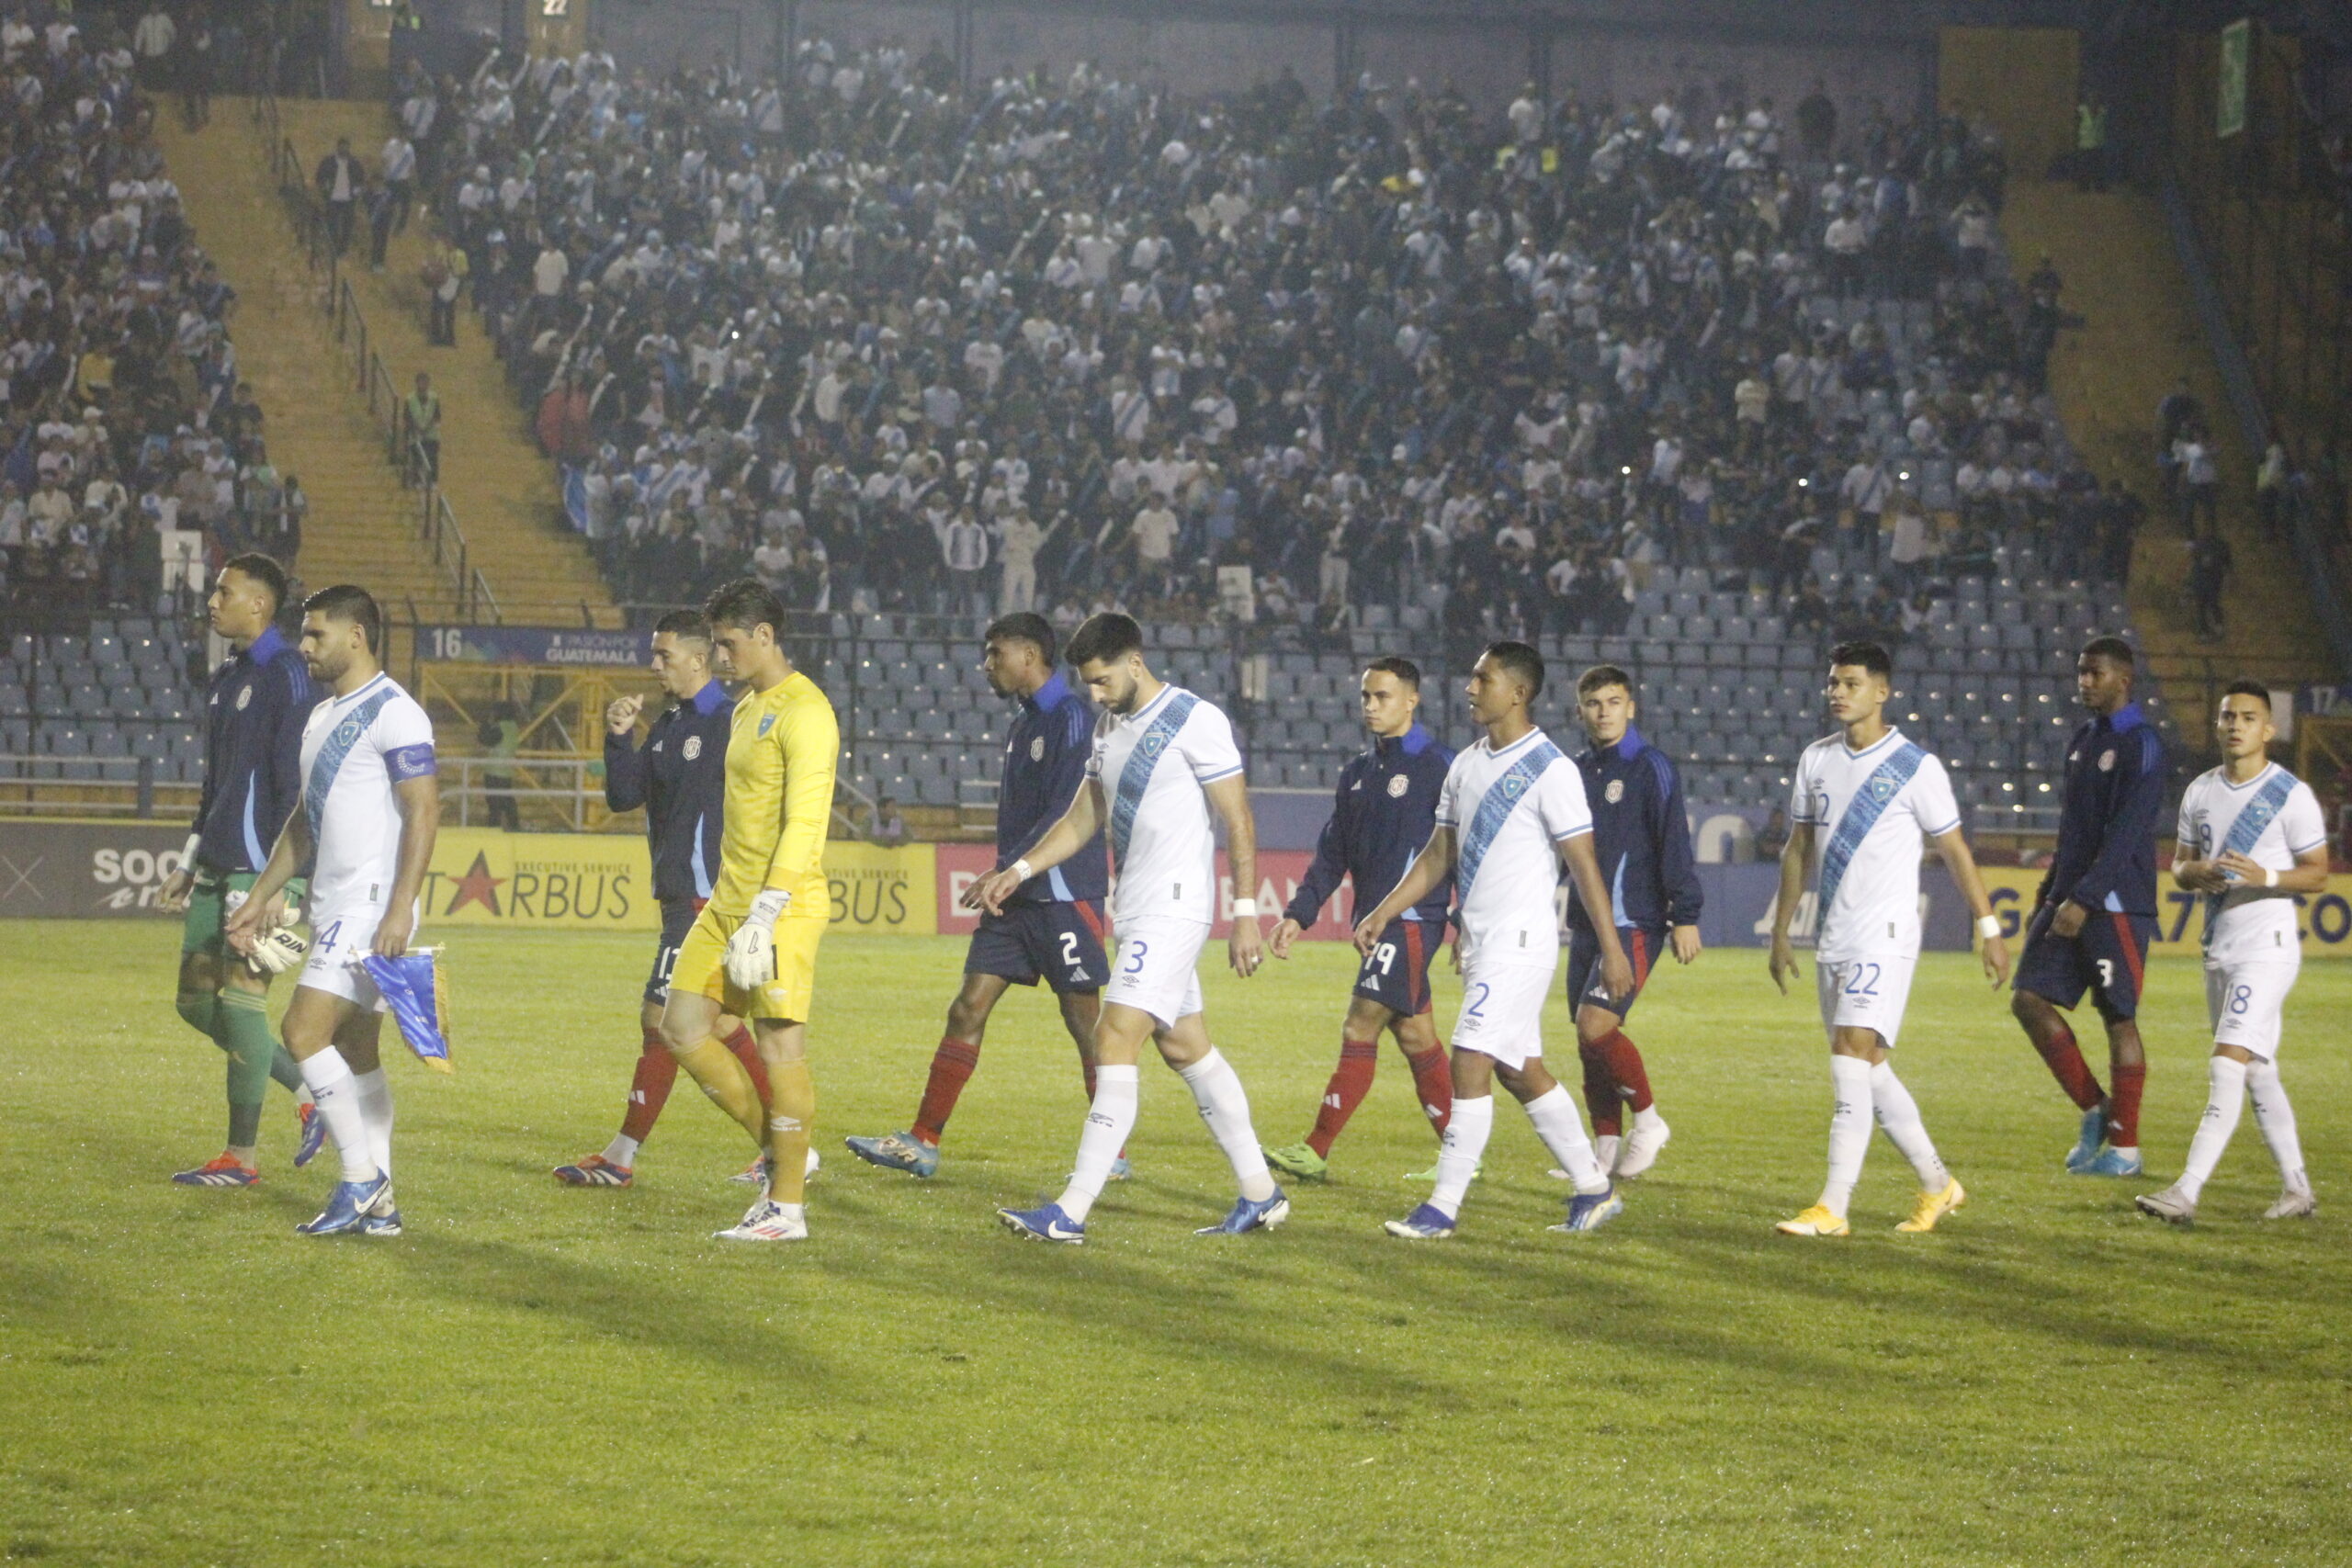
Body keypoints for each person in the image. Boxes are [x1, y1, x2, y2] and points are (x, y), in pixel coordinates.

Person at [969, 612, 1287, 1242]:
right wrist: (1021, 867)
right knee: (1185, 1046)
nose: (1094, 694)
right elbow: (1085, 813)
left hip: (1176, 905)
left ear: (1135, 662)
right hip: (1137, 905)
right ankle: (1262, 1192)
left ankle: (1071, 1210)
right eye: (1086, 684)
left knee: (1112, 1037)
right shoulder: (1109, 727)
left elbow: (1239, 818)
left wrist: (1247, 913)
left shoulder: (1196, 719)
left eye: (1101, 680)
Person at [1360, 642, 1632, 1241]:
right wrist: (1385, 909)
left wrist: (1612, 949)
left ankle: (1442, 1207)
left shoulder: (1551, 769)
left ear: (1518, 692)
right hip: (1483, 941)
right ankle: (1594, 1187)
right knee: (1520, 1069)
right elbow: (1440, 855)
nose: (1470, 688)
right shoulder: (1466, 764)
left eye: (1482, 678)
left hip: (1522, 940)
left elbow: (1584, 865)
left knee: (1470, 1058)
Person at [846, 615, 1112, 1179]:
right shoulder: (1024, 726)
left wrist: (1013, 870)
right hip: (1015, 896)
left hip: (1064, 894)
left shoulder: (1071, 718)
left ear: (1029, 655)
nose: (986, 665)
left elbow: (1069, 814)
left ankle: (1111, 1149)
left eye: (995, 653)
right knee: (968, 1005)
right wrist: (1000, 873)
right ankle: (922, 1140)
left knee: (1084, 1023)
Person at [1769, 640, 2009, 1238]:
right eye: (1833, 682)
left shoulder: (1915, 766)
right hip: (1835, 936)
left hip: (1888, 934)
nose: (1838, 692)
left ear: (1882, 691)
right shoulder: (1815, 760)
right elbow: (1798, 846)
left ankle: (1833, 1205)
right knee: (1871, 1070)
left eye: (1851, 683)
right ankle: (1938, 1183)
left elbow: (1954, 851)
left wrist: (1989, 928)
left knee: (1849, 1055)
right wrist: (1780, 928)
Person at [224, 585, 440, 1237]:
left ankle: (359, 1177)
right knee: (356, 1048)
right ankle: (383, 1202)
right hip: (338, 904)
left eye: (317, 634)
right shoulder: (322, 716)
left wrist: (400, 908)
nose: (306, 645)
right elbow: (305, 823)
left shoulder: (396, 712)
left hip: (372, 905)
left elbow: (423, 810)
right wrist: (262, 896)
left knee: (301, 1032)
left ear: (357, 636)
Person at [553, 611, 778, 1189]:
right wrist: (618, 736)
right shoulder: (672, 723)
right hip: (680, 894)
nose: (654, 666)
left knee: (661, 1020)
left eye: (664, 656)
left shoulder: (730, 722)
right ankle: (788, 1144)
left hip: (708, 897)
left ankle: (622, 1156)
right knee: (725, 1024)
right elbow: (625, 794)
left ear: (699, 660)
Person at [653, 580, 839, 1243]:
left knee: (779, 1043)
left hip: (781, 907)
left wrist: (768, 907)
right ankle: (786, 1151)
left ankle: (786, 1208)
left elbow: (805, 819)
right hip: (728, 903)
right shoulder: (744, 708)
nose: (720, 656)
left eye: (728, 643)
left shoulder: (807, 711)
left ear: (764, 635)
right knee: (680, 1027)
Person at [155, 554, 325, 1187]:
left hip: (259, 875)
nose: (212, 600)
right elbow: (214, 783)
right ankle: (314, 1092)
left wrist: (290, 884)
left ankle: (241, 1158)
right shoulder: (227, 679)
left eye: (224, 591)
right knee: (196, 1003)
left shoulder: (288, 675)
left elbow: (298, 787)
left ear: (259, 603)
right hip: (214, 866)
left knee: (243, 1007)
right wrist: (186, 859)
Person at [1259, 657, 1456, 1183]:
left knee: (1360, 1023)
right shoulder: (1358, 773)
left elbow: (1460, 849)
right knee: (1416, 1038)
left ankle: (1315, 1148)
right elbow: (1332, 853)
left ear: (1411, 700)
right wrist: (1299, 915)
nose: (1370, 706)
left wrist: (1469, 923)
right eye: (1366, 696)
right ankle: (1464, 1152)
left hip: (1413, 919)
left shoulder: (1440, 766)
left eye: (1383, 696)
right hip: (1381, 923)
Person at [2139, 682, 2327, 1224]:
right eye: (2227, 716)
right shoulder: (2199, 790)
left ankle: (2186, 1192)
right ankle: (2298, 1190)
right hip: (2218, 946)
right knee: (2257, 1070)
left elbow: (2317, 871)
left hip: (2266, 950)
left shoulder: (2290, 794)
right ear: (2217, 725)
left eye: (2248, 717)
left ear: (2268, 730)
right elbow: (2179, 864)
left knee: (2226, 1064)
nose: (2236, 725)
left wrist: (2265, 875)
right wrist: (2192, 872)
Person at [2010, 637, 2165, 1178]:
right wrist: (2050, 893)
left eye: (2094, 673)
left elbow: (2126, 834)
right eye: (2080, 673)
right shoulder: (2083, 739)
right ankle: (2098, 1109)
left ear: (2123, 679)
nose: (2084, 682)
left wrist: (2085, 897)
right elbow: (2074, 830)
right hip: (2069, 897)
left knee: (2118, 1018)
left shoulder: (2142, 743)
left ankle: (2126, 1149)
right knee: (2028, 999)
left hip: (2116, 904)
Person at [1564, 665, 1702, 1179]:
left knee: (1596, 1027)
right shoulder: (1575, 770)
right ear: (1580, 710)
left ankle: (1648, 1122)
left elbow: (1675, 840)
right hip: (1585, 924)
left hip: (1635, 921)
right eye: (1594, 703)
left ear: (1631, 707)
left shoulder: (1650, 766)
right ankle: (1601, 1156)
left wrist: (1685, 915)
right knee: (1586, 1040)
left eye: (1614, 702)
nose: (1604, 712)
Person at [315, 137, 361, 258]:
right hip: (333, 199)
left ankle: (343, 249)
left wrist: (355, 192)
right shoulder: (328, 162)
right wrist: (324, 188)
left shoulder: (354, 163)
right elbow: (320, 177)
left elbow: (360, 179)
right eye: (342, 147)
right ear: (338, 147)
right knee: (332, 225)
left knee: (347, 225)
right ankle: (333, 248)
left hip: (348, 200)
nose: (344, 149)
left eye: (346, 147)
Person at [406, 373, 442, 486]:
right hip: (416, 435)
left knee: (432, 459)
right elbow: (407, 417)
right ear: (417, 383)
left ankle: (432, 482)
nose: (424, 385)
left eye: (426, 382)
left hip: (431, 435)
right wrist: (415, 429)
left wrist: (428, 427)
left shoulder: (434, 398)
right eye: (421, 382)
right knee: (417, 459)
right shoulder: (410, 399)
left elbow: (437, 416)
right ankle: (416, 481)